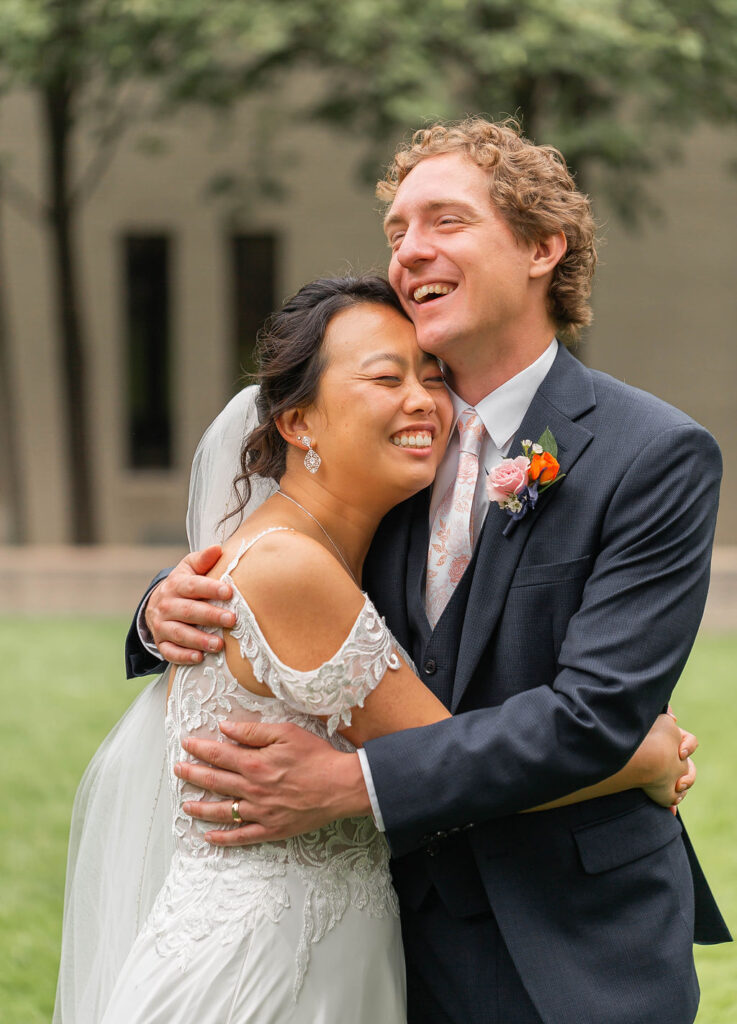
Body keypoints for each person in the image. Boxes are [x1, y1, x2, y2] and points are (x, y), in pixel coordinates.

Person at [125, 119, 731, 1023]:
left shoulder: (654, 455)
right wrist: (159, 609)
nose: (409, 251)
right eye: (397, 231)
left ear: (540, 246)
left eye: (443, 221)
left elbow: (594, 714)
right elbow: (285, 562)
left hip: (568, 943)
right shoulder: (390, 435)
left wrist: (350, 786)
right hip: (388, 936)